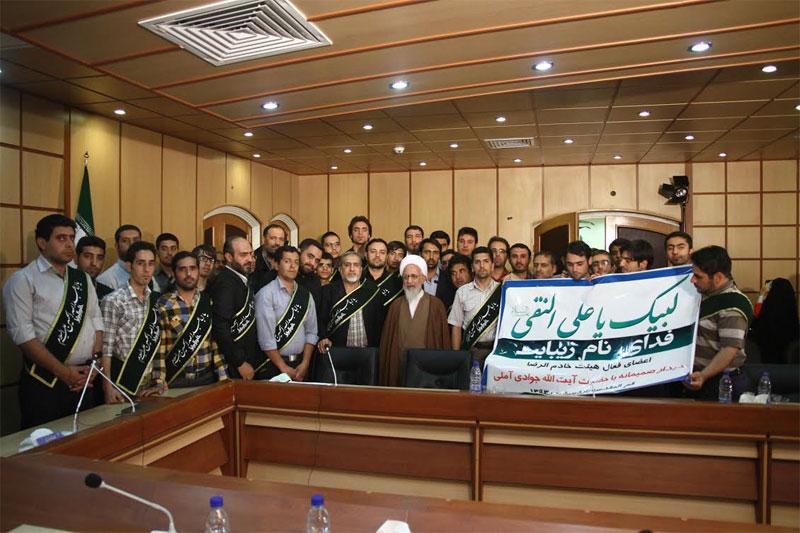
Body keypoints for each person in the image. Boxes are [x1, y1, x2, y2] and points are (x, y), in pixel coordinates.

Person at [3, 215, 104, 428]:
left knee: (85, 440)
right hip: (44, 381)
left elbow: (96, 320)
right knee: (45, 442)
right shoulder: (23, 280)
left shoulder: (82, 279)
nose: (69, 244)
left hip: (84, 378)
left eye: (71, 238)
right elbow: (23, 336)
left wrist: (94, 364)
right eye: (61, 238)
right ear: (42, 242)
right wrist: (64, 373)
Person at [683, 246, 752, 400]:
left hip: (721, 382)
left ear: (718, 277)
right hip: (699, 378)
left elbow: (729, 349)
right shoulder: (705, 294)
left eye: (698, 276)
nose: (692, 280)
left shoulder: (732, 306)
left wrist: (704, 375)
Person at [153, 252, 227, 388]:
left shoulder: (207, 301)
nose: (188, 274)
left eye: (192, 268)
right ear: (174, 273)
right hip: (176, 379)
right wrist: (159, 381)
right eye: (182, 269)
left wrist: (223, 377)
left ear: (198, 270)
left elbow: (215, 343)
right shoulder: (164, 304)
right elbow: (159, 349)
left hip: (207, 378)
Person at [100, 241, 162, 402]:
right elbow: (106, 349)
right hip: (122, 383)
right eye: (141, 263)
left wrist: (160, 380)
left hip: (150, 385)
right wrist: (107, 387)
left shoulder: (156, 299)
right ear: (129, 266)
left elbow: (158, 344)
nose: (147, 270)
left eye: (151, 264)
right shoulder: (113, 301)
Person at [379, 255, 450, 387]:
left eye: (414, 276)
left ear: (423, 278)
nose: (409, 281)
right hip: (399, 366)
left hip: (427, 369)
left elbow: (442, 341)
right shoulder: (395, 306)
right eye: (406, 277)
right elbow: (387, 343)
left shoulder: (436, 305)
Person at [255, 245, 318, 380]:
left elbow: (312, 332)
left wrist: (305, 362)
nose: (292, 266)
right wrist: (283, 367)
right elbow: (266, 339)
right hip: (273, 365)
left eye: (296, 262)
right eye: (287, 261)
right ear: (277, 265)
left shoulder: (305, 295)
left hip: (301, 364)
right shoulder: (266, 294)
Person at [207, 237, 266, 381]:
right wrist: (239, 362)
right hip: (234, 364)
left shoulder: (240, 278)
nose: (250, 259)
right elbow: (220, 326)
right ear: (229, 257)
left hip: (245, 358)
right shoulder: (225, 282)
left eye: (251, 254)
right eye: (243, 255)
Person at [317, 251, 385, 353]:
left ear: (361, 269)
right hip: (336, 351)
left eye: (356, 265)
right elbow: (320, 320)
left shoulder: (372, 291)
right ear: (340, 269)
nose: (352, 269)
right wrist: (323, 337)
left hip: (368, 352)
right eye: (347, 265)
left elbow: (380, 324)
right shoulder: (327, 291)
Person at [449, 247, 500, 363]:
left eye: (486, 261)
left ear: (492, 266)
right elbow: (456, 326)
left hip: (495, 351)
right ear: (472, 267)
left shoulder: (502, 290)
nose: (482, 266)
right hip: (471, 350)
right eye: (477, 262)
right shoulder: (462, 292)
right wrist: (456, 357)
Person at [750, 278, 799, 364]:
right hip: (790, 369)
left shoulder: (766, 317)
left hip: (764, 366)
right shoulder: (792, 317)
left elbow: (754, 322)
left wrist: (761, 298)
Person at [96, 224, 141, 291]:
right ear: (117, 246)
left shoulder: (147, 274)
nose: (131, 244)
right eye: (125, 241)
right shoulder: (106, 279)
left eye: (136, 240)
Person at [76, 235, 113, 299]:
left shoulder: (108, 295)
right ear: (76, 258)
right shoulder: (63, 288)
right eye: (88, 256)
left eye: (99, 258)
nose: (94, 263)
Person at [253, 224, 287, 292]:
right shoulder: (253, 259)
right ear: (264, 239)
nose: (277, 243)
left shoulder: (287, 260)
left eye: (281, 239)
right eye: (273, 238)